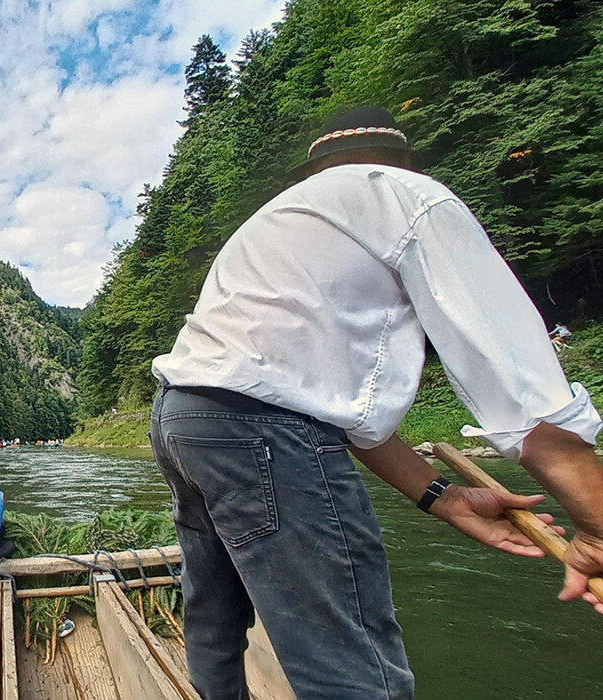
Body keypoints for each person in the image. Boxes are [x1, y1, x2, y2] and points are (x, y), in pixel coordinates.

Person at [149, 106, 603, 700]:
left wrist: (443, 497)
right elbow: (521, 392)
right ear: (401, 161)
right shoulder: (411, 197)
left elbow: (341, 413)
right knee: (353, 669)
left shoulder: (276, 221)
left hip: (182, 421)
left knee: (213, 609)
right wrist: (594, 527)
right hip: (259, 432)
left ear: (318, 166)